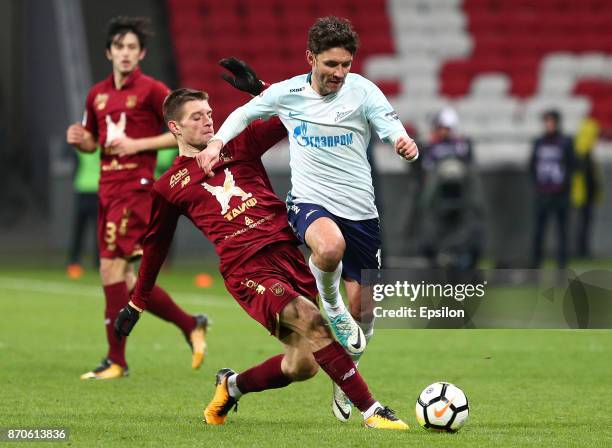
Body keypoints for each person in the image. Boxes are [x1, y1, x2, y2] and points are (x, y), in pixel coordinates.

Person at [114, 87, 409, 430]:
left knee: (302, 366)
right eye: (197, 117)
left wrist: (262, 89)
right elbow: (155, 246)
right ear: (175, 128)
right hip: (247, 269)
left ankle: (231, 386)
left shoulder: (240, 143)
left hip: (288, 257)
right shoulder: (170, 185)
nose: (208, 122)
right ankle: (372, 411)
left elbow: (295, 111)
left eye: (209, 114)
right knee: (310, 319)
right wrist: (136, 304)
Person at [196, 16, 418, 421]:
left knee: (363, 314)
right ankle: (328, 299)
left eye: (345, 65)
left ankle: (344, 380)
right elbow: (243, 115)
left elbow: (390, 124)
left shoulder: (362, 90)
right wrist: (214, 145)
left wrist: (402, 141)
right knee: (329, 248)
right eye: (331, 64)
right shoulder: (288, 93)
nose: (338, 73)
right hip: (310, 203)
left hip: (361, 213)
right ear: (310, 58)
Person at [65, 16, 207, 380]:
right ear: (108, 53)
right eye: (119, 47)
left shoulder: (153, 90)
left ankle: (116, 360)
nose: (125, 53)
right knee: (123, 277)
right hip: (107, 187)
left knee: (112, 269)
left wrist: (137, 145)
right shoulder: (96, 94)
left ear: (141, 53)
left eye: (132, 47)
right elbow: (95, 143)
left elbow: (179, 130)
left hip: (135, 187)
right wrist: (84, 142)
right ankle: (190, 323)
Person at [529, 109, 575, 269]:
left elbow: (571, 165)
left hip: (560, 193)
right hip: (543, 192)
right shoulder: (539, 142)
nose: (548, 125)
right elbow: (532, 165)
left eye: (551, 121)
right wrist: (538, 185)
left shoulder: (565, 142)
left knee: (562, 230)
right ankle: (536, 262)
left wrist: (564, 185)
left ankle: (562, 263)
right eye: (546, 121)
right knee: (539, 229)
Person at [66, 147, 100, 279]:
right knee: (98, 230)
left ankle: (74, 261)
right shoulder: (104, 145)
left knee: (79, 229)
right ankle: (98, 263)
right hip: (97, 188)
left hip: (83, 188)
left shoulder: (80, 146)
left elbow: (74, 165)